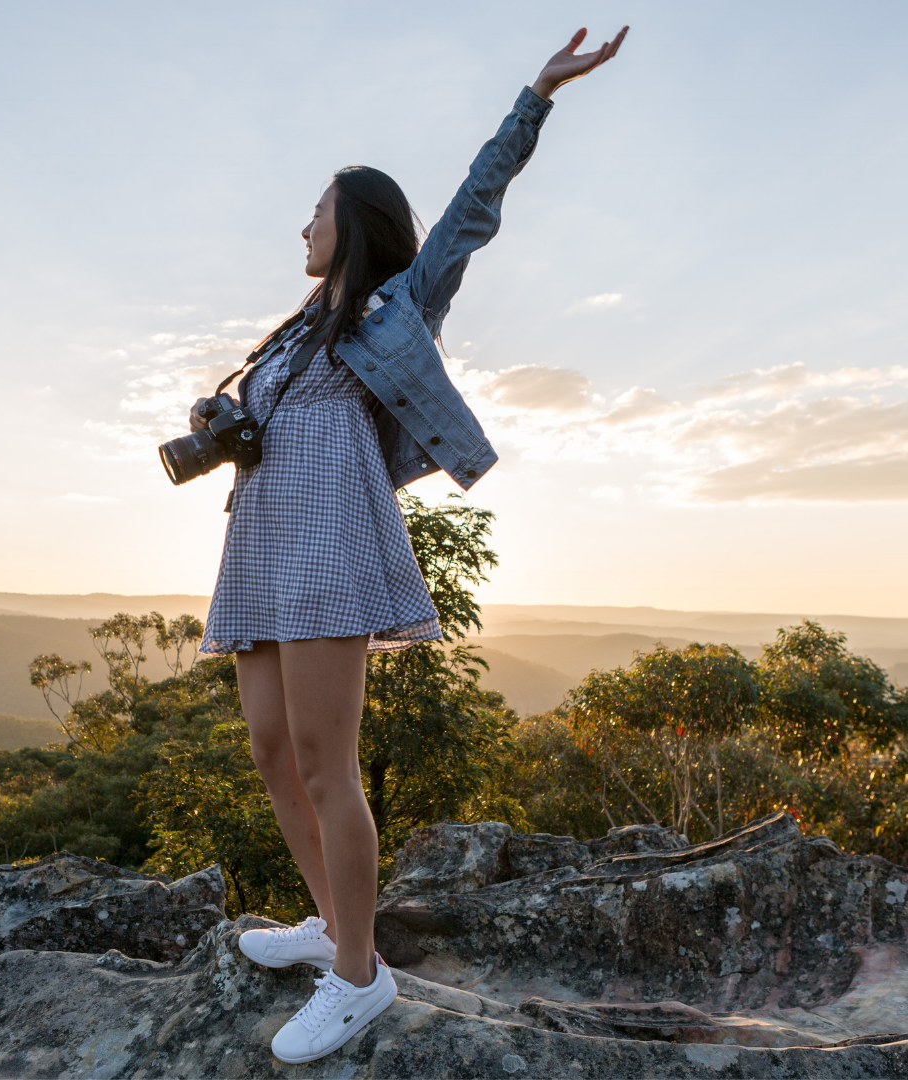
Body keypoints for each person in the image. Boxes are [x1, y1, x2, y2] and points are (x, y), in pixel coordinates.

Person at [191, 25, 628, 1065]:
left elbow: (475, 208)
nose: (301, 225)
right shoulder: (294, 331)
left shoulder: (398, 306)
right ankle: (334, 926)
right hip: (260, 544)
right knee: (269, 753)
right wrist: (218, 413)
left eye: (316, 212)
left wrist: (537, 96)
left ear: (356, 226)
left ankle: (358, 979)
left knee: (325, 765)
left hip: (334, 547)